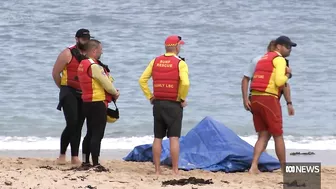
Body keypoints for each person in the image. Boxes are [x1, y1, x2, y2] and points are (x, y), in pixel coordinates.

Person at [138, 35, 190, 175]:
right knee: (174, 137)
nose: (181, 47)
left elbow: (142, 80)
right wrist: (181, 98)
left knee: (158, 137)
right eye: (180, 45)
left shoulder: (155, 61)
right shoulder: (180, 63)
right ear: (176, 46)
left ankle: (157, 170)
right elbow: (185, 83)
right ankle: (174, 169)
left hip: (158, 103)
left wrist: (150, 96)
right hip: (174, 104)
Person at [248, 36, 296, 174]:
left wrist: (288, 102)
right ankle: (283, 168)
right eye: (288, 47)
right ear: (279, 46)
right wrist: (288, 74)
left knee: (263, 134)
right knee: (278, 134)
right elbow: (280, 81)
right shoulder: (279, 59)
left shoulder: (263, 58)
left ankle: (254, 166)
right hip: (268, 99)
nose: (290, 50)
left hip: (255, 99)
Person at [77, 39, 119, 170]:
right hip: (97, 102)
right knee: (97, 134)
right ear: (94, 51)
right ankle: (95, 163)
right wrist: (114, 93)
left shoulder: (82, 64)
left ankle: (85, 161)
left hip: (87, 102)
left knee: (89, 133)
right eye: (100, 50)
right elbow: (106, 84)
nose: (102, 52)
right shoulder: (94, 66)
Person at [52, 29, 92, 165]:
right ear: (77, 39)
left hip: (83, 93)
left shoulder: (89, 54)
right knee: (72, 123)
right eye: (83, 39)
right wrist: (63, 88)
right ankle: (62, 155)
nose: (85, 41)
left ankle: (75, 155)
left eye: (87, 38)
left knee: (79, 124)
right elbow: (55, 73)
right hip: (68, 91)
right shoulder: (67, 53)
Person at [241, 40, 295, 115]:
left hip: (261, 98)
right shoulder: (258, 60)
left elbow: (284, 85)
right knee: (273, 125)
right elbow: (245, 79)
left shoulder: (280, 61)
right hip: (266, 98)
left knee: (262, 124)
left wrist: (289, 103)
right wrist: (245, 99)